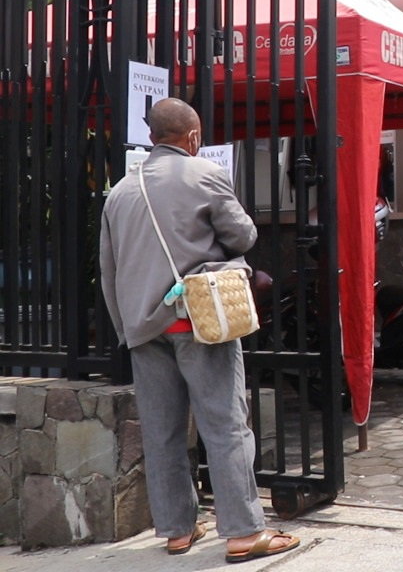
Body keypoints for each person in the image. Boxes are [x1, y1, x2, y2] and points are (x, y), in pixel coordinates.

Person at [98, 98, 301, 562]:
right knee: (225, 424)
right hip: (199, 317)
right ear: (192, 138)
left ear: (152, 137)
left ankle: (176, 530)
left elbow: (109, 273)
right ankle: (245, 532)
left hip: (143, 326)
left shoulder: (120, 193)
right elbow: (243, 236)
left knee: (162, 430)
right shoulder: (204, 174)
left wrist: (127, 329)